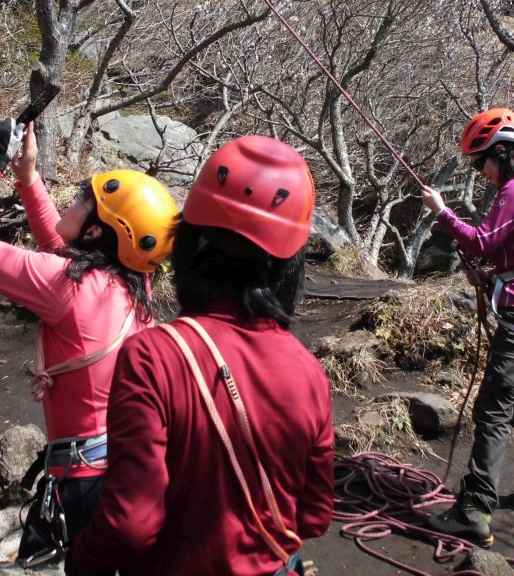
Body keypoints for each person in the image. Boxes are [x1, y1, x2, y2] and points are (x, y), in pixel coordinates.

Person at [68, 135, 334, 576]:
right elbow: (314, 515)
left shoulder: (152, 356)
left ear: (188, 243)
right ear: (288, 267)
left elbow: (132, 524)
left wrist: (80, 560)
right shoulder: (309, 372)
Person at [0, 118, 180, 567]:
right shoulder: (134, 281)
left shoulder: (66, 287)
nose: (71, 202)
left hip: (83, 483)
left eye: (79, 200)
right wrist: (28, 178)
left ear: (95, 231)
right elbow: (61, 244)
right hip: (135, 470)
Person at [420, 107, 514, 548]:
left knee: (492, 409)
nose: (479, 170)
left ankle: (474, 508)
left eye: (480, 160)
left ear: (502, 152)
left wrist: (442, 212)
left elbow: (482, 240)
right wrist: (488, 277)